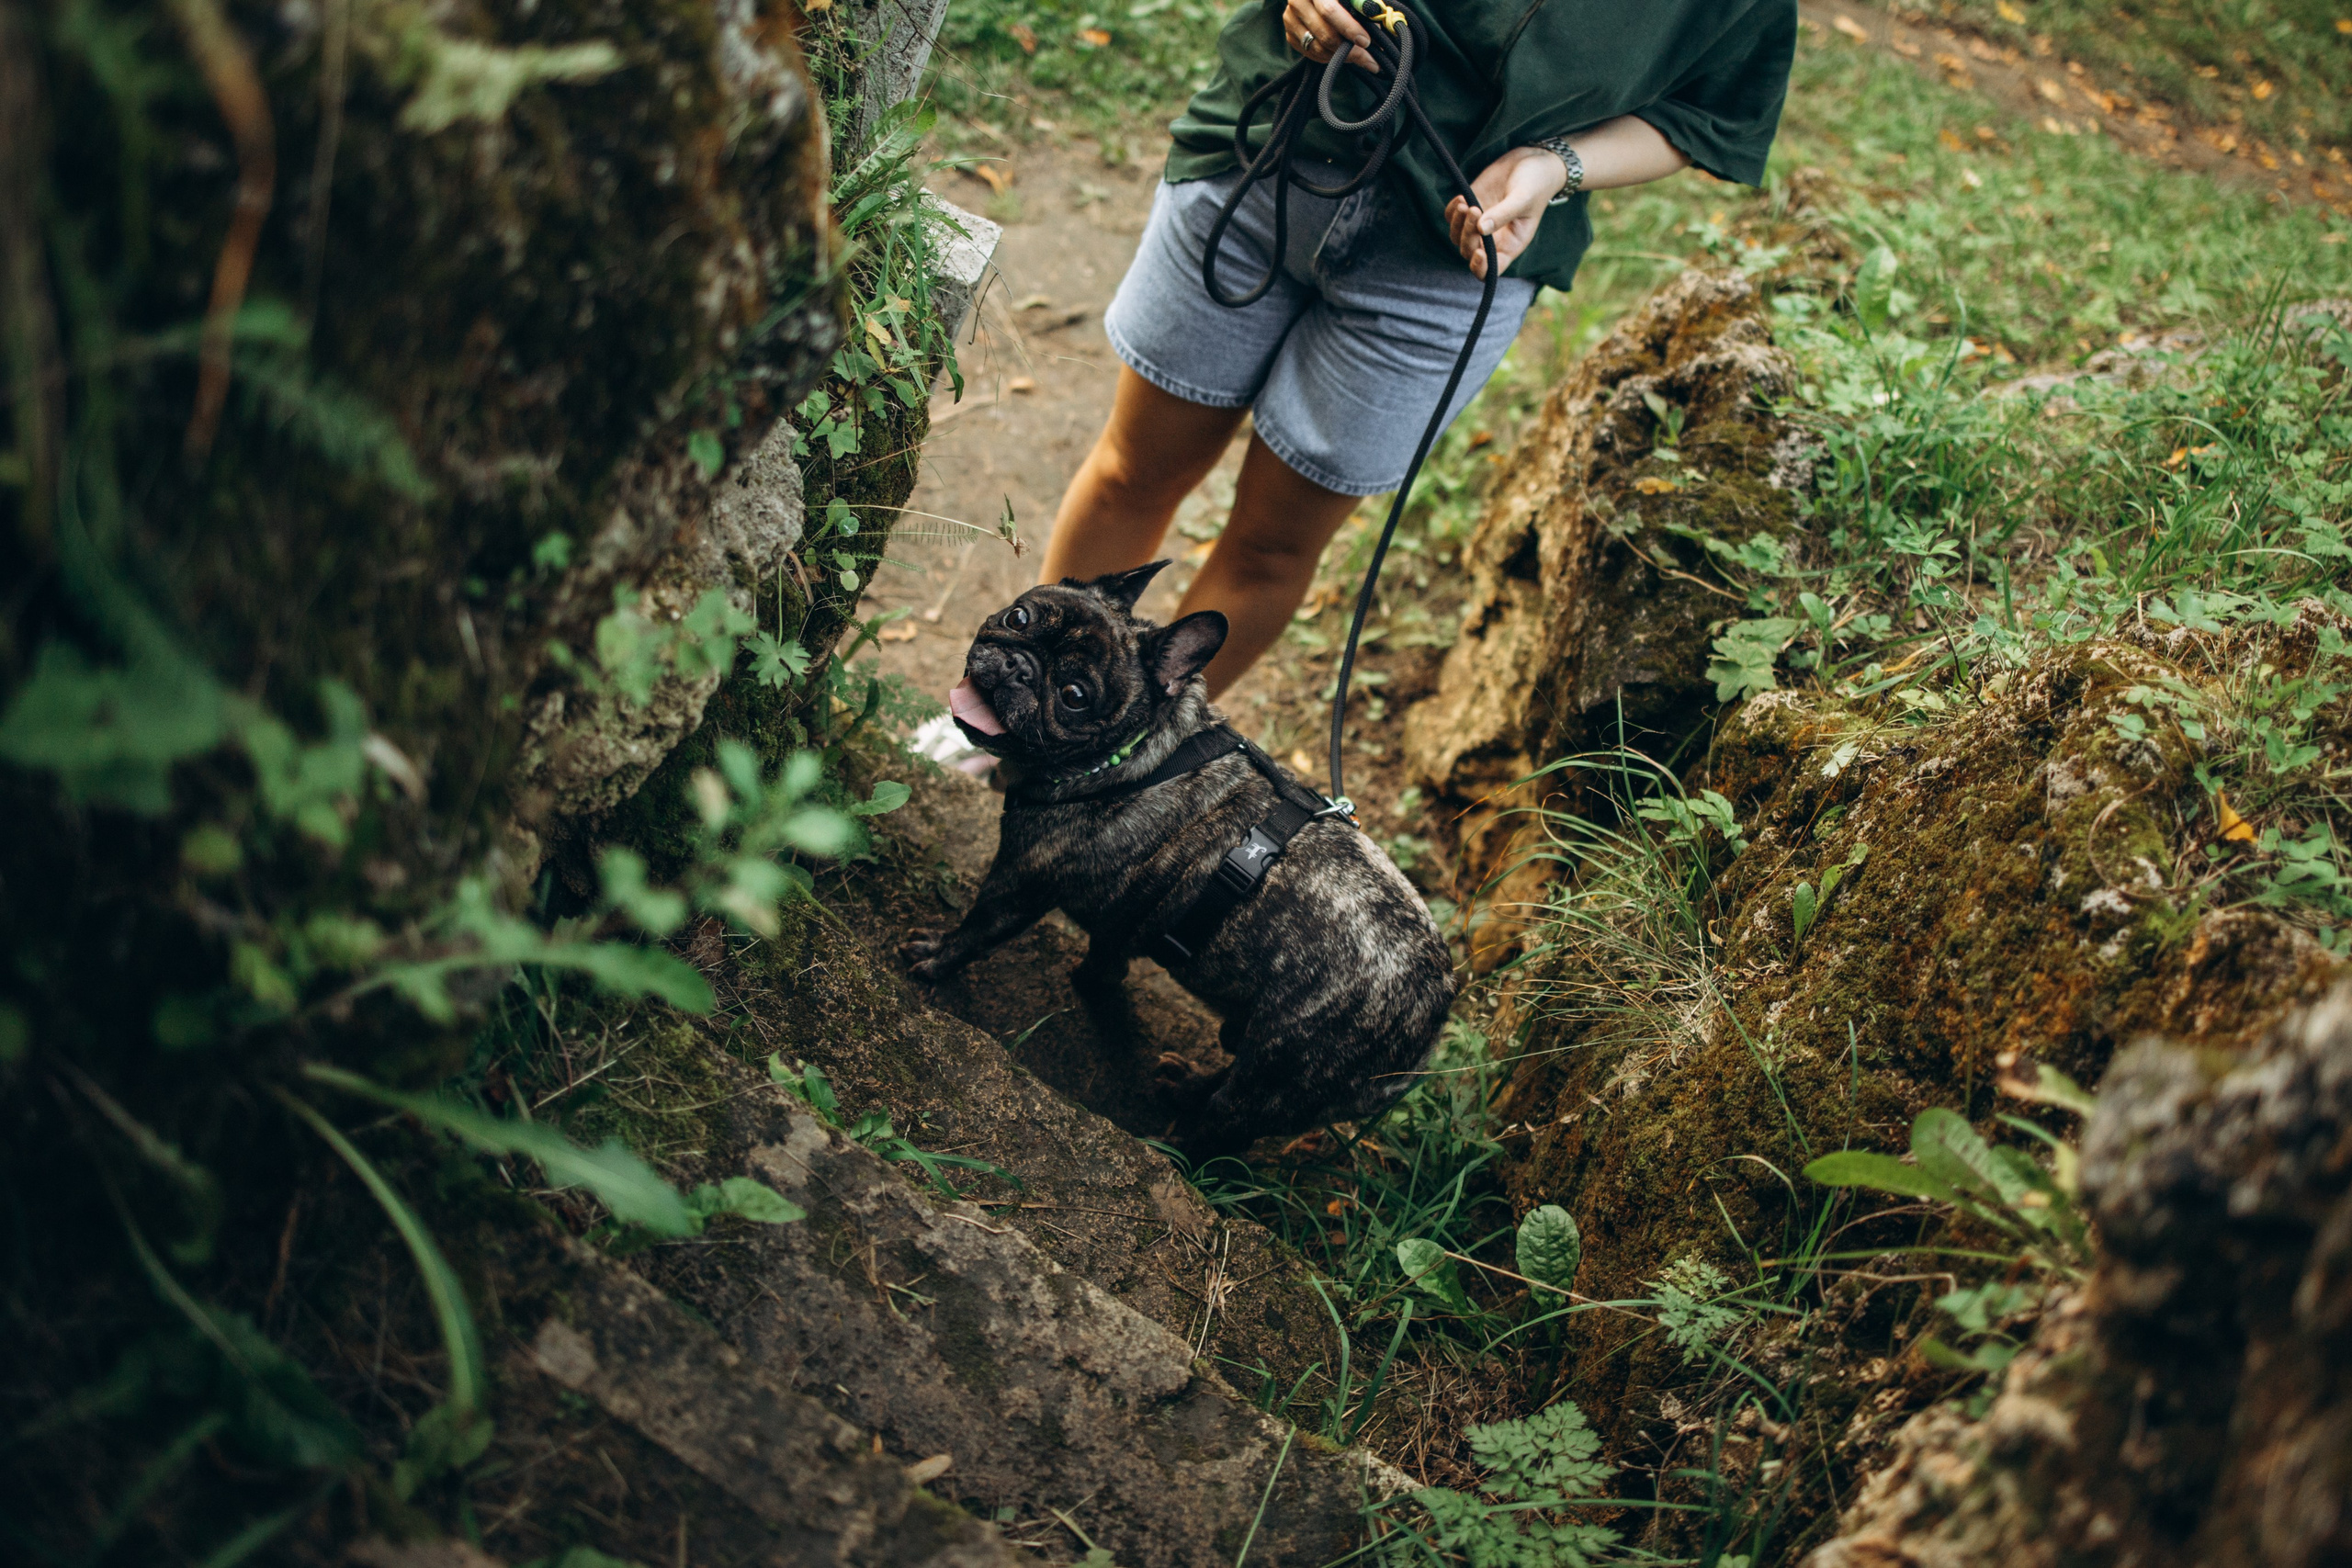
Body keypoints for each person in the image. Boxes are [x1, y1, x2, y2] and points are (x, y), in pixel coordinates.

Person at [1037, 0, 1796, 695]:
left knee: (1272, 547)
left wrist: (1556, 165)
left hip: (1447, 275)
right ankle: (1021, 706)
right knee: (1133, 471)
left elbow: (1706, 113)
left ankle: (1107, 768)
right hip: (1270, 155)